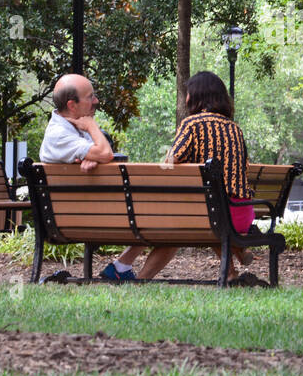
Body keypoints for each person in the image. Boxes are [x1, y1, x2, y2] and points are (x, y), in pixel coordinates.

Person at [101, 71, 261, 285]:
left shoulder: (192, 124)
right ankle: (235, 261)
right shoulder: (235, 128)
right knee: (207, 208)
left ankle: (138, 279)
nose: (186, 98)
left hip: (213, 214)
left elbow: (170, 162)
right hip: (242, 213)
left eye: (188, 93)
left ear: (197, 96)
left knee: (181, 223)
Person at [39, 73, 115, 171]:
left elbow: (103, 153)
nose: (96, 101)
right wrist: (92, 126)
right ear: (72, 106)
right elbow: (105, 153)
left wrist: (94, 158)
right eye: (90, 97)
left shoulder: (78, 125)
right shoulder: (58, 134)